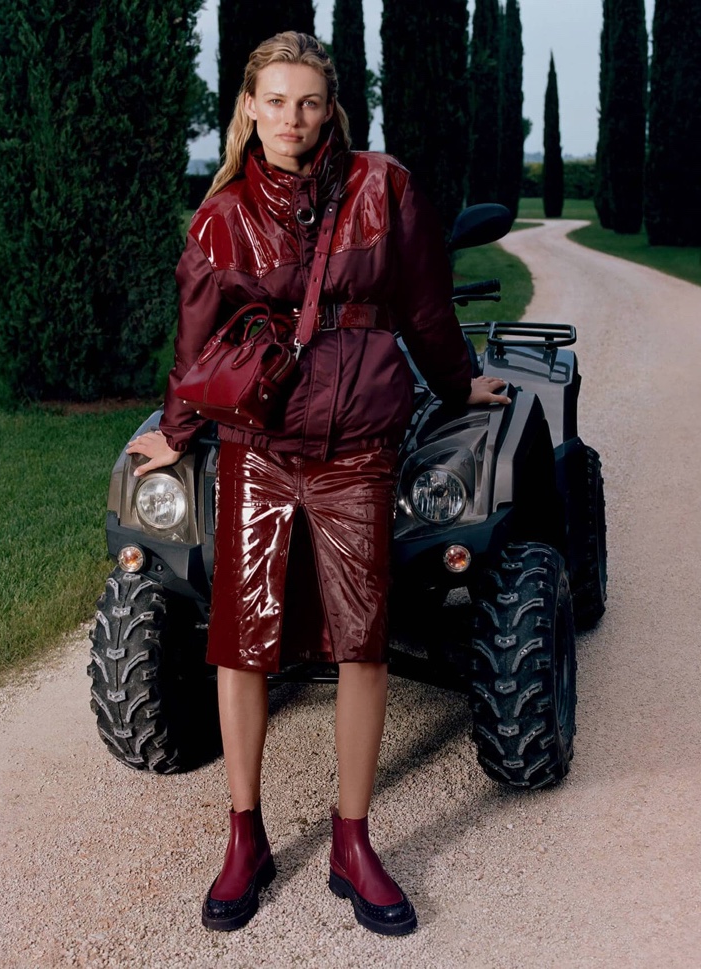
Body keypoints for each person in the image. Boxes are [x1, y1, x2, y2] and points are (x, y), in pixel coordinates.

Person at [126, 31, 509, 936]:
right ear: (249, 108)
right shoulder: (220, 217)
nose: (292, 120)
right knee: (242, 640)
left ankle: (351, 839)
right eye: (275, 101)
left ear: (330, 108)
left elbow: (422, 301)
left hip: (357, 447)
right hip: (259, 447)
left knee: (361, 641)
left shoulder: (385, 187)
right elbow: (196, 343)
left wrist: (458, 384)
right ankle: (245, 834)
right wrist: (177, 436)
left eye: (309, 103)